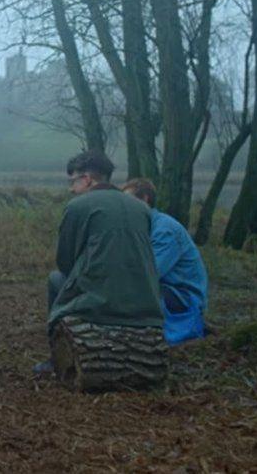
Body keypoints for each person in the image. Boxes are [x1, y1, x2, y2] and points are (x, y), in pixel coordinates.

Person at [35, 150, 163, 373]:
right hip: (147, 305)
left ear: (87, 179)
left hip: (99, 303)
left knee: (56, 279)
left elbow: (66, 261)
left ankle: (55, 358)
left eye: (73, 181)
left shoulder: (78, 206)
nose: (70, 189)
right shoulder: (142, 209)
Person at [122, 178, 209, 345]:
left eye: (128, 201)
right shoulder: (141, 227)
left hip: (183, 297)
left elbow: (149, 274)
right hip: (164, 289)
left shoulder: (165, 230)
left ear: (145, 199)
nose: (124, 208)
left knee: (133, 293)